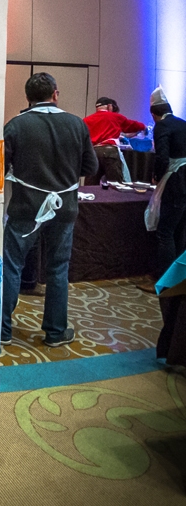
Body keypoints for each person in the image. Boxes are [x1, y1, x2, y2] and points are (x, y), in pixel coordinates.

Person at [1, 72, 96, 347]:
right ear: (56, 94)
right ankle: (55, 332)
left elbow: (1, 167)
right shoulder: (77, 124)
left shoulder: (16, 125)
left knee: (12, 265)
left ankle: (3, 331)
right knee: (58, 269)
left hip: (25, 208)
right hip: (65, 208)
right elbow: (90, 168)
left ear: (27, 98)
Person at [149, 86, 186, 369]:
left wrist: (156, 180)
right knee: (181, 231)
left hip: (175, 182)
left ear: (154, 114)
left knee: (165, 232)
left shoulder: (162, 128)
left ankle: (165, 280)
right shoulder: (183, 124)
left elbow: (161, 157)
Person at [83, 96, 146, 184]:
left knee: (90, 186)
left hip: (93, 153)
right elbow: (133, 125)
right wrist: (143, 127)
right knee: (116, 186)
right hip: (110, 152)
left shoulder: (86, 120)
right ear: (109, 106)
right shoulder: (115, 117)